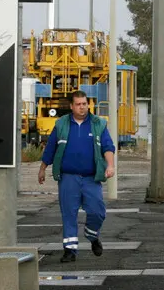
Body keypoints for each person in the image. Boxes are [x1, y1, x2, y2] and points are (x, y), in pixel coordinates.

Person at [38, 90, 116, 263]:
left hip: (91, 178)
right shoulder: (61, 124)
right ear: (72, 106)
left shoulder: (98, 124)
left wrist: (110, 166)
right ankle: (70, 250)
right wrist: (42, 168)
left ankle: (92, 235)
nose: (82, 107)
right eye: (79, 104)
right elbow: (50, 148)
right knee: (69, 214)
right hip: (68, 177)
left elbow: (108, 147)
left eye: (84, 104)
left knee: (97, 211)